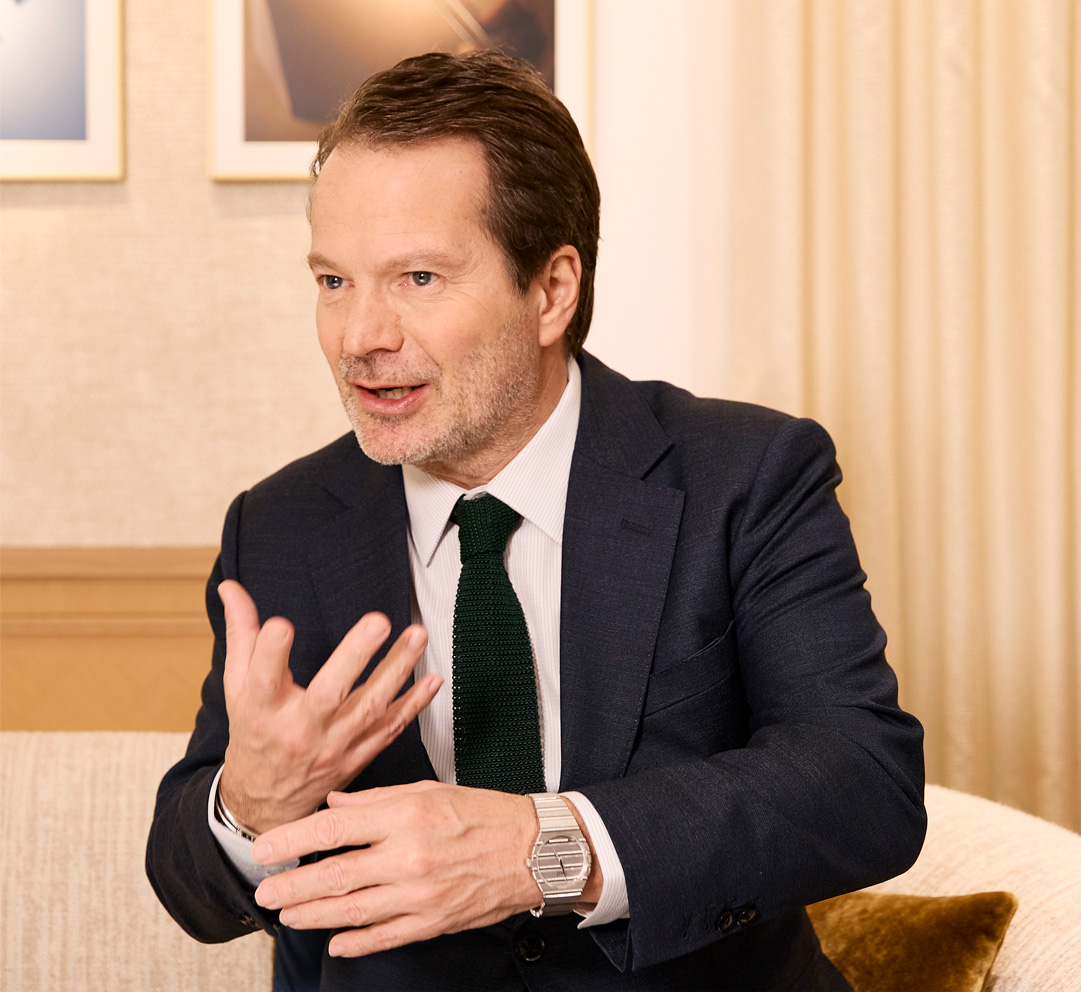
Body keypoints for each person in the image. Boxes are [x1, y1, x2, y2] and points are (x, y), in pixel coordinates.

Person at [146, 50, 925, 991]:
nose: (361, 338)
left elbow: (864, 782)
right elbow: (187, 878)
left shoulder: (746, 476)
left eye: (418, 278)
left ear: (552, 290)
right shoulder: (280, 525)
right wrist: (250, 804)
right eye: (334, 282)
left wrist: (543, 847)